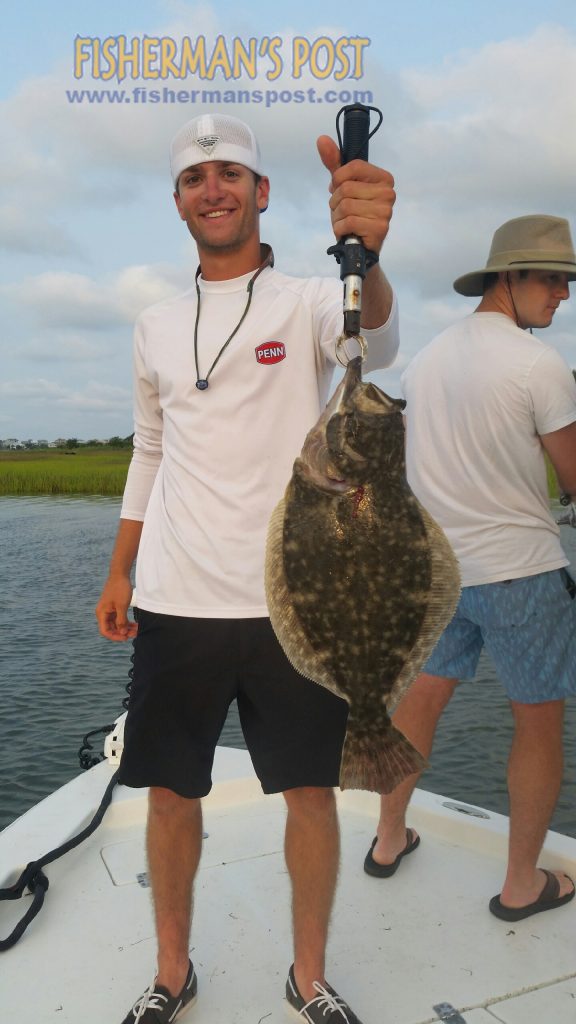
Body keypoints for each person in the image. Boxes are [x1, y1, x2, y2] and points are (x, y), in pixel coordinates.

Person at [95, 112, 399, 1024]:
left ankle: (308, 978)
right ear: (179, 202)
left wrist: (366, 254)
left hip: (293, 600)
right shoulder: (152, 323)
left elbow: (373, 340)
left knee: (309, 793)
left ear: (263, 193)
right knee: (171, 792)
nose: (213, 188)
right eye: (195, 178)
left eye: (230, 173)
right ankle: (172, 971)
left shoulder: (309, 298)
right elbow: (151, 449)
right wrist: (121, 569)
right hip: (176, 598)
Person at [365, 215, 576, 923]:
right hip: (521, 574)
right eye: (551, 279)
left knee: (421, 702)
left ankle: (388, 839)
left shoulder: (426, 361)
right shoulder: (538, 365)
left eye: (566, 282)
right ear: (509, 279)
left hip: (440, 576)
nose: (562, 295)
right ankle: (521, 885)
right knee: (538, 724)